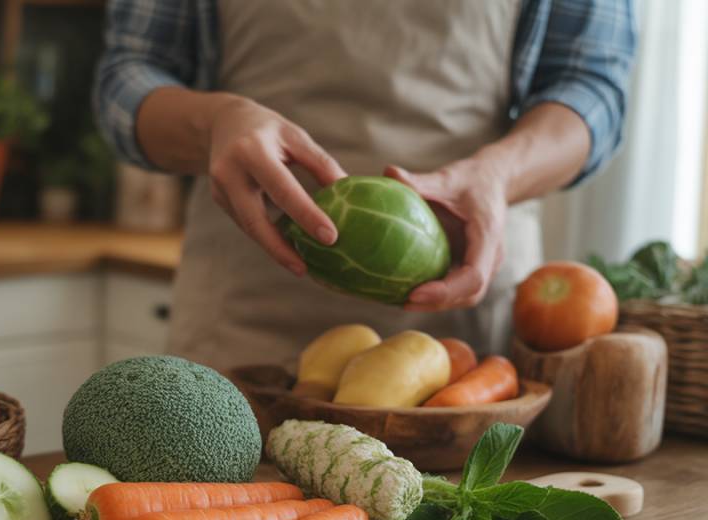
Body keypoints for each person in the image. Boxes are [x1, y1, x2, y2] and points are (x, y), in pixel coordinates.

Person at [94, 0, 637, 372]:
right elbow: (129, 74)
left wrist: (499, 174)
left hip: (458, 353)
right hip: (244, 331)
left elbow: (591, 85)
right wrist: (214, 123)